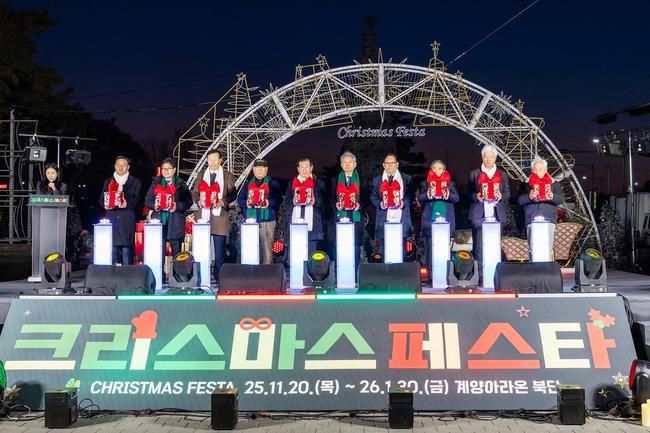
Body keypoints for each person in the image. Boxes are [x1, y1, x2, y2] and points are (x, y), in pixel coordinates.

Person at [192, 149, 236, 281]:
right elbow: (195, 192)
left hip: (220, 215)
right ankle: (201, 275)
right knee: (201, 247)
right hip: (203, 215)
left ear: (220, 160)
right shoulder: (201, 175)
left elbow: (233, 194)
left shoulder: (227, 175)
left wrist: (223, 202)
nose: (212, 162)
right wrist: (198, 201)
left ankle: (219, 276)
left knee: (219, 249)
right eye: (210, 159)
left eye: (215, 159)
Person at [144, 157, 193, 276]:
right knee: (158, 250)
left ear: (174, 170)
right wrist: (154, 205)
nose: (166, 171)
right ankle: (158, 276)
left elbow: (188, 202)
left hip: (175, 221)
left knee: (176, 251)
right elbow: (147, 201)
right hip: (159, 221)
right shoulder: (156, 183)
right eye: (164, 168)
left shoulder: (180, 184)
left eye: (169, 168)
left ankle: (177, 277)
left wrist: (177, 206)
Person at [467, 144, 510, 262]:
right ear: (482, 157)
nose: (488, 159)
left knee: (495, 245)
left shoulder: (502, 174)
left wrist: (501, 196)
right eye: (486, 157)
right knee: (479, 247)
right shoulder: (475, 173)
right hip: (479, 214)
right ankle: (481, 271)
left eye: (491, 157)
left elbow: (507, 193)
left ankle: (495, 269)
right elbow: (468, 193)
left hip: (497, 213)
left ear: (495, 158)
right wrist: (476, 196)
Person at [417, 160, 459, 279]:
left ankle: (446, 277)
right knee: (430, 251)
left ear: (444, 170)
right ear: (431, 170)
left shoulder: (450, 184)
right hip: (429, 222)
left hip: (446, 222)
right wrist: (429, 194)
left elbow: (456, 198)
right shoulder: (425, 183)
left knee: (445, 250)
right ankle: (431, 277)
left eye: (440, 168)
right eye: (434, 168)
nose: (437, 170)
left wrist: (447, 194)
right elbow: (420, 197)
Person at [236, 159, 282, 265]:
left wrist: (268, 202)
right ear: (253, 169)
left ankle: (267, 271)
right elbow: (240, 200)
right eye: (257, 168)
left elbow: (278, 199)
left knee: (267, 250)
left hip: (267, 220)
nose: (260, 170)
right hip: (250, 222)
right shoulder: (247, 184)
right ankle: (251, 271)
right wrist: (246, 203)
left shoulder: (273, 183)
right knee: (250, 249)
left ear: (267, 169)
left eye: (263, 168)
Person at [99, 156, 142, 265]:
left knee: (127, 252)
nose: (121, 167)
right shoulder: (109, 181)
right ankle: (111, 274)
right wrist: (106, 204)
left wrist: (127, 203)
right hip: (111, 219)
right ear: (115, 166)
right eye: (118, 165)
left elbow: (138, 199)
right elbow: (101, 199)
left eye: (124, 165)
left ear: (128, 167)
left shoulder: (135, 182)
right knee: (111, 251)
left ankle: (127, 275)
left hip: (126, 219)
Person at [517, 156, 565, 247]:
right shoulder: (526, 184)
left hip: (549, 219)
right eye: (535, 170)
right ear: (532, 170)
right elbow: (519, 200)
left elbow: (561, 199)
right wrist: (529, 197)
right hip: (531, 220)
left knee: (547, 247)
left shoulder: (554, 184)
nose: (538, 172)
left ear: (546, 170)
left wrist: (552, 196)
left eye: (541, 169)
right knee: (533, 247)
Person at [370, 153, 413, 253]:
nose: (389, 165)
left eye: (392, 163)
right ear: (383, 165)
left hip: (402, 218)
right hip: (384, 219)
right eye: (387, 163)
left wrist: (404, 203)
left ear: (397, 164)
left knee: (401, 251)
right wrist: (380, 204)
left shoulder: (407, 178)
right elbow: (373, 196)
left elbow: (410, 196)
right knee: (384, 251)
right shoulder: (377, 180)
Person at [284, 157, 326, 256]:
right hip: (296, 221)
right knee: (296, 253)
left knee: (311, 254)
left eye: (307, 167)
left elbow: (325, 200)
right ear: (298, 169)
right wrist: (293, 201)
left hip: (313, 224)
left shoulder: (319, 183)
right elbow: (287, 200)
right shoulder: (292, 183)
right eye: (302, 167)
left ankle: (310, 267)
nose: (304, 169)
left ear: (311, 168)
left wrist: (315, 201)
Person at [331, 151, 363, 270]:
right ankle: (341, 271)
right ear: (341, 164)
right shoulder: (335, 180)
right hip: (341, 215)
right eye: (345, 162)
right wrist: (335, 204)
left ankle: (355, 272)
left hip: (356, 216)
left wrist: (360, 205)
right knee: (340, 244)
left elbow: (367, 196)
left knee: (355, 245)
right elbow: (330, 197)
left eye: (350, 162)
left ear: (355, 164)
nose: (347, 164)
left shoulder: (361, 179)